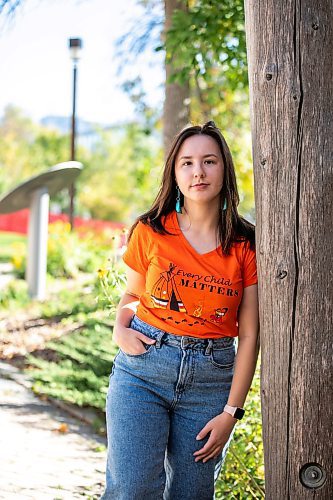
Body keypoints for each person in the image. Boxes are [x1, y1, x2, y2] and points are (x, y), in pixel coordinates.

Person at [101, 121, 260, 500]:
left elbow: (251, 334)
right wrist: (119, 330)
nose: (198, 172)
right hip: (143, 371)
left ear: (225, 169)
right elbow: (131, 297)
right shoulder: (151, 230)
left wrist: (230, 414)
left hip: (210, 381)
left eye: (209, 161)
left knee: (192, 493)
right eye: (187, 163)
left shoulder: (246, 245)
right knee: (133, 489)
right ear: (175, 171)